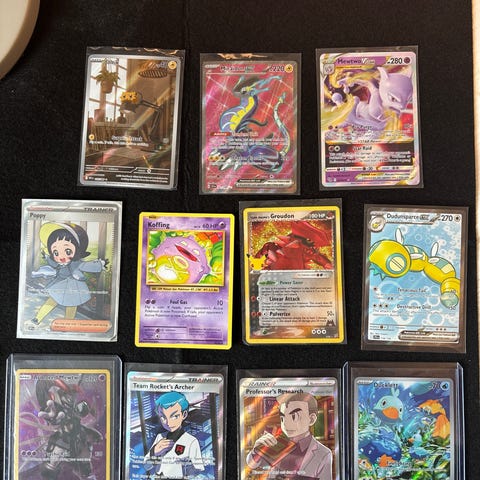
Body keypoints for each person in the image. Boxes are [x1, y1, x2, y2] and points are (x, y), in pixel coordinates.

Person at [31, 222, 107, 325]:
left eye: (67, 251)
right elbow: (53, 263)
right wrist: (47, 257)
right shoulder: (58, 262)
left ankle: (68, 324)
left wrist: (100, 264)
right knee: (52, 300)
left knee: (72, 304)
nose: (61, 257)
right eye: (56, 253)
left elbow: (87, 265)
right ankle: (38, 318)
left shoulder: (77, 264)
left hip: (74, 286)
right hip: (60, 284)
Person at [246, 392, 332, 480]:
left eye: (294, 417)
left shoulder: (324, 453)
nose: (285, 424)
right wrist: (256, 451)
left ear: (311, 419)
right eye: (282, 418)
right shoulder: (276, 443)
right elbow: (252, 465)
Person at [144, 391, 205, 479]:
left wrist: (187, 467)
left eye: (174, 416)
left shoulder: (191, 441)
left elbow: (198, 469)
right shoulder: (160, 437)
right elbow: (146, 466)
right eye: (163, 417)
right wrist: (154, 452)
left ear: (184, 415)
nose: (168, 422)